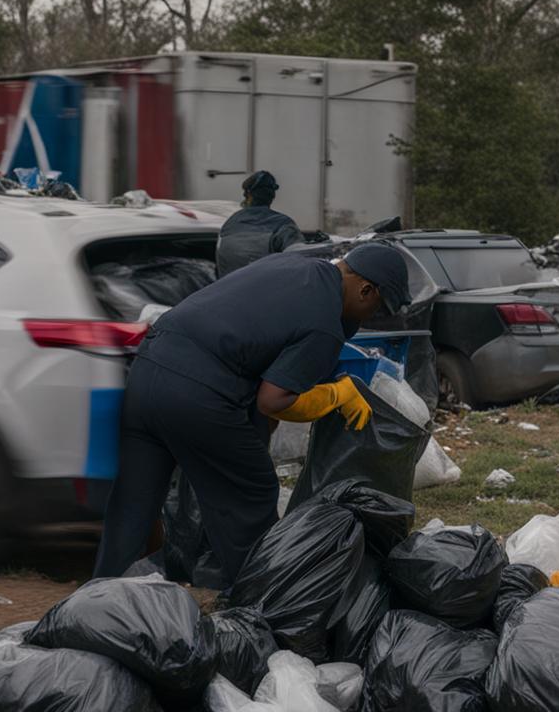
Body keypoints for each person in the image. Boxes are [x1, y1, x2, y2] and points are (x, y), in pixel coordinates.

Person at [92, 242, 411, 584]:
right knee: (253, 493)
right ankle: (264, 607)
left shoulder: (289, 265)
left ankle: (91, 605)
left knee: (134, 502)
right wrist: (337, 394)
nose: (368, 318)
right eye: (376, 307)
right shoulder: (325, 323)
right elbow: (272, 400)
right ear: (365, 290)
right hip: (198, 394)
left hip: (148, 368)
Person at [216, 170, 303, 277]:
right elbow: (300, 260)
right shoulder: (282, 224)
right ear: (272, 196)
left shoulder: (230, 223)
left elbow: (220, 262)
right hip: (268, 291)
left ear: (247, 195)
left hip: (229, 290)